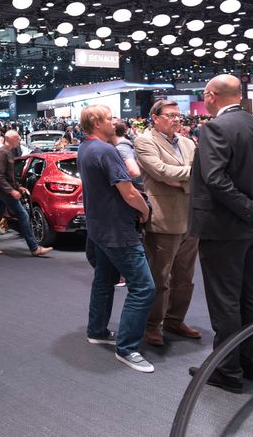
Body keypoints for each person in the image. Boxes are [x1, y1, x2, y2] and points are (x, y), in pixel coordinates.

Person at [189, 74, 253, 393]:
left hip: (225, 229)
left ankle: (227, 371)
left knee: (225, 300)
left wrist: (252, 207)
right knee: (250, 295)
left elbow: (215, 179)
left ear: (211, 96)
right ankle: (250, 365)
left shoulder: (214, 128)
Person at [78, 105, 155, 373]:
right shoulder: (105, 150)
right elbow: (130, 193)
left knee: (104, 280)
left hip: (98, 228)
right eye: (110, 118)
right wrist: (145, 211)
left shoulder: (85, 148)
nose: (115, 122)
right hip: (118, 230)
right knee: (144, 287)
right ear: (97, 122)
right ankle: (127, 348)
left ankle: (97, 330)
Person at [134, 99, 201, 347]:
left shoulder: (187, 142)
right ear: (155, 117)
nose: (176, 119)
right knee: (160, 278)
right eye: (170, 115)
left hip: (190, 219)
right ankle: (152, 324)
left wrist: (179, 179)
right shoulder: (144, 141)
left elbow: (198, 171)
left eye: (178, 115)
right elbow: (160, 171)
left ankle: (175, 320)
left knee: (185, 277)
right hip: (163, 219)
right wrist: (189, 176)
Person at [0, 130, 52, 257]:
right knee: (23, 215)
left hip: (1, 191)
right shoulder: (2, 153)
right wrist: (12, 191)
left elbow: (9, 176)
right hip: (3, 192)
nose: (19, 141)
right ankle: (34, 248)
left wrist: (18, 187)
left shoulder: (8, 152)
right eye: (18, 139)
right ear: (11, 139)